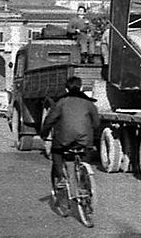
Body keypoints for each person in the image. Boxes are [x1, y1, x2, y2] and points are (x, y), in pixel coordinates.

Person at [40, 76, 100, 216]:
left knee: (56, 152)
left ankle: (60, 178)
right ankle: (85, 182)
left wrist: (44, 134)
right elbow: (96, 124)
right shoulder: (89, 104)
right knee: (84, 159)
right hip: (85, 140)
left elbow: (49, 121)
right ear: (81, 87)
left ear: (66, 88)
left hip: (64, 140)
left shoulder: (60, 103)